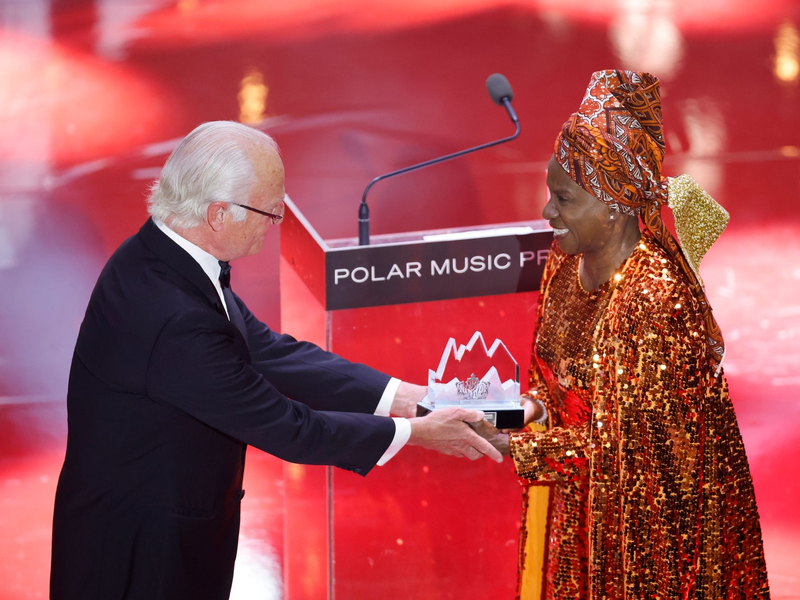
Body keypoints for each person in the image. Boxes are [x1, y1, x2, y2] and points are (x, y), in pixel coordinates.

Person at [49, 121, 501, 600]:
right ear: (218, 213)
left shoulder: (169, 256)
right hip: (142, 555)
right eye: (268, 208)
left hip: (163, 525)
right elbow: (290, 428)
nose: (277, 218)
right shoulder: (174, 317)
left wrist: (408, 398)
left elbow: (266, 350)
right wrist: (419, 434)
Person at [475, 71, 770, 599]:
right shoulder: (564, 264)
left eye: (563, 199)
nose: (547, 212)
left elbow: (630, 459)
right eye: (551, 194)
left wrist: (513, 447)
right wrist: (513, 412)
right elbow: (554, 384)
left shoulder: (652, 301)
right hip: (578, 514)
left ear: (614, 206)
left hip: (645, 539)